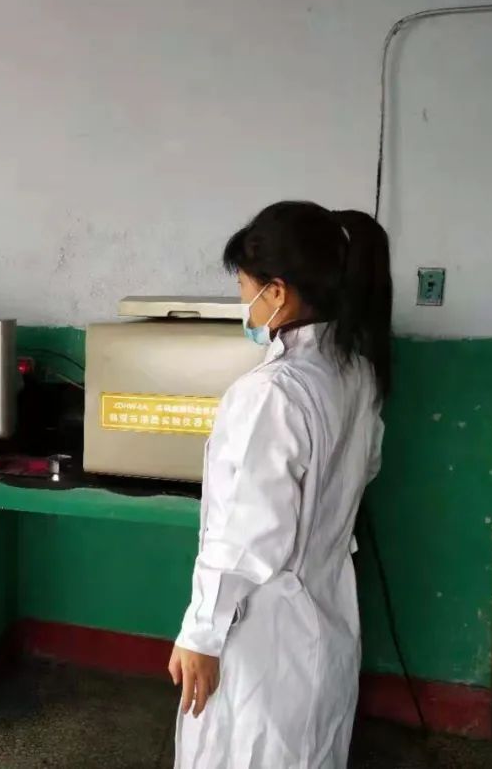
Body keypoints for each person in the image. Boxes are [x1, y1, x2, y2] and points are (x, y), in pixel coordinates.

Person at [170, 201, 392, 768]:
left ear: (277, 292)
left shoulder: (271, 393)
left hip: (264, 635)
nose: (244, 304)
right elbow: (363, 470)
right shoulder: (356, 371)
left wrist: (201, 634)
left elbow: (246, 536)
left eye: (244, 289)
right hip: (326, 620)